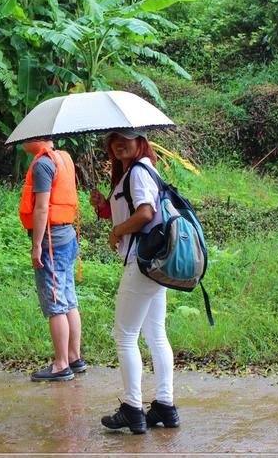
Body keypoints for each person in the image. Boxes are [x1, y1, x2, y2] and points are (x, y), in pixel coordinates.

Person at [89, 130, 180, 434]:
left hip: (141, 264)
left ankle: (132, 408)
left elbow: (145, 213)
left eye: (127, 136)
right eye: (114, 137)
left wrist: (116, 232)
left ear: (140, 140)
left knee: (125, 336)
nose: (119, 142)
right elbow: (132, 212)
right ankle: (165, 406)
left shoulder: (138, 171)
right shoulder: (135, 173)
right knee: (155, 333)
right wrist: (104, 207)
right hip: (154, 264)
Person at [19, 138, 85, 382]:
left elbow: (42, 209)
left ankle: (61, 365)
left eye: (27, 137)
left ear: (37, 137)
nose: (23, 142)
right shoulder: (63, 158)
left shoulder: (42, 165)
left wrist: (36, 245)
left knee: (56, 302)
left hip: (51, 241)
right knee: (68, 298)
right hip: (67, 237)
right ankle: (74, 357)